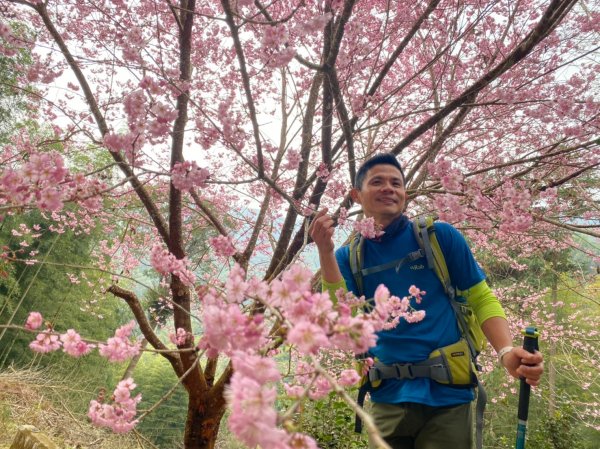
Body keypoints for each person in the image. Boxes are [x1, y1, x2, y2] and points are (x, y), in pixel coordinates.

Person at [309, 153, 544, 449]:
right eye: (377, 182)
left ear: (405, 194)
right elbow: (340, 321)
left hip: (448, 397)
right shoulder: (349, 258)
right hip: (386, 398)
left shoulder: (439, 238)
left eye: (396, 183)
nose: (388, 188)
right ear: (356, 195)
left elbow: (481, 298)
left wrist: (506, 352)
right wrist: (326, 252)